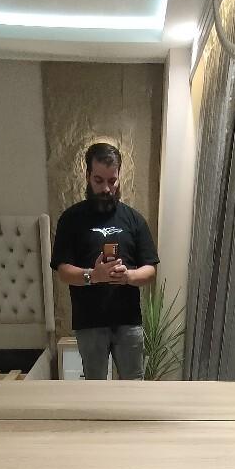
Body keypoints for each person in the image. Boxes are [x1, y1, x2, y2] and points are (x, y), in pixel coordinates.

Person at [50, 142, 159, 379]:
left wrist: (128, 276)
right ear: (88, 176)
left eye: (112, 181)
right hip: (89, 322)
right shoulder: (70, 219)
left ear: (119, 177)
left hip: (129, 322)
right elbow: (63, 270)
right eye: (99, 180)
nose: (106, 188)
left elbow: (150, 270)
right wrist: (93, 275)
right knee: (95, 389)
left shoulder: (134, 219)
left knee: (134, 386)